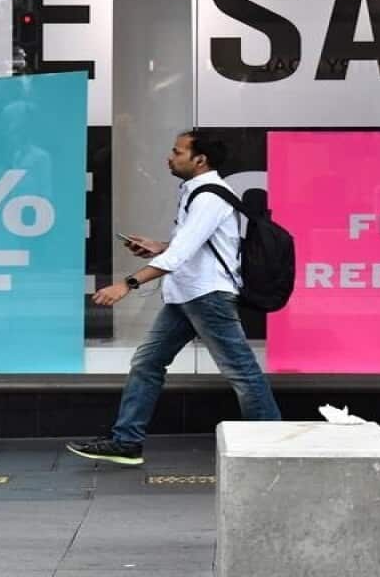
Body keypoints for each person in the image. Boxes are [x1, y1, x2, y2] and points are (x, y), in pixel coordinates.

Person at [66, 130, 281, 465]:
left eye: (177, 151)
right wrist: (159, 246)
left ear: (200, 159)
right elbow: (191, 248)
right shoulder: (195, 192)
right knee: (148, 363)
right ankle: (127, 442)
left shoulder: (211, 196)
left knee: (242, 371)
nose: (170, 156)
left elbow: (180, 255)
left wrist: (128, 284)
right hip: (187, 295)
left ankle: (272, 445)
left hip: (207, 296)